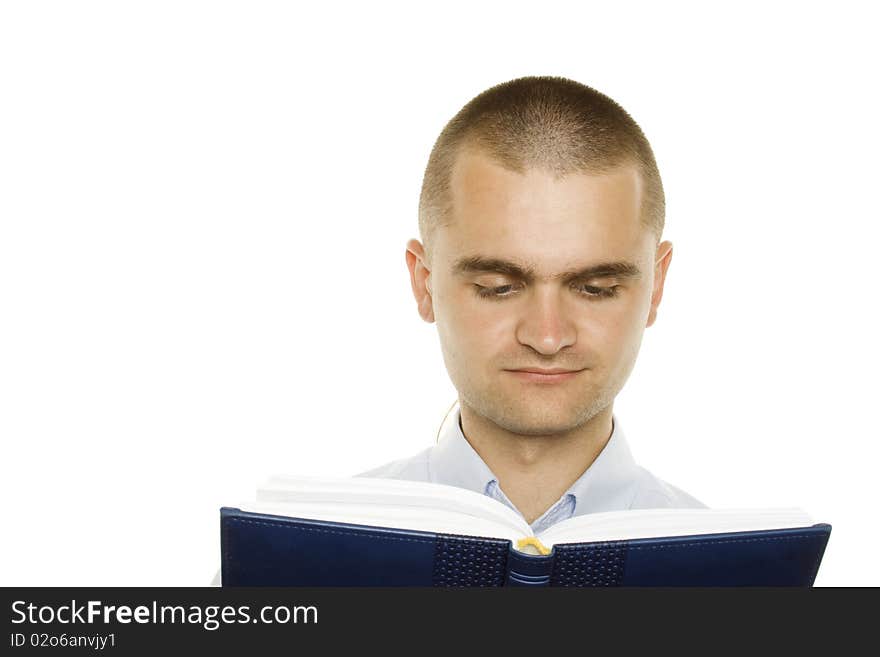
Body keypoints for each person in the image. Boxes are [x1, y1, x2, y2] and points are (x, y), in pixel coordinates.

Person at [356, 75, 706, 533]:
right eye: (498, 287)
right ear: (424, 283)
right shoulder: (298, 560)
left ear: (656, 287)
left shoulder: (752, 579)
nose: (547, 337)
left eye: (596, 288)